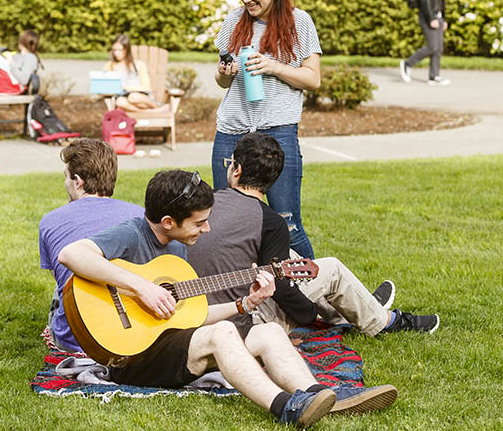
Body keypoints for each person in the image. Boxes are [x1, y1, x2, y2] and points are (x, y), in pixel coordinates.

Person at [58, 170, 396, 426]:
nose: (206, 230)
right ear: (167, 221)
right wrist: (141, 286)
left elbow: (190, 316)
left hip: (169, 346)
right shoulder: (131, 233)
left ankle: (316, 394)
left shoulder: (176, 249)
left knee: (268, 332)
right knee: (222, 334)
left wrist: (244, 305)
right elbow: (72, 254)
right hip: (131, 359)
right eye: (200, 223)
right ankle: (285, 407)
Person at [188, 132, 440, 351]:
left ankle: (356, 310)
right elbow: (282, 288)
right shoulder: (270, 222)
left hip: (193, 310)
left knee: (288, 256)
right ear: (272, 181)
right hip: (240, 319)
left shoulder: (205, 204)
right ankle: (384, 322)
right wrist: (309, 313)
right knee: (331, 268)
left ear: (237, 170)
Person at [212, 0, 321, 260]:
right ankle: (239, 299)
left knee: (287, 224)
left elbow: (313, 80)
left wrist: (273, 66)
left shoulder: (299, 23)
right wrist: (225, 72)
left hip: (278, 132)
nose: (246, 0)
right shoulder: (234, 21)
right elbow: (222, 82)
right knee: (226, 221)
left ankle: (318, 292)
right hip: (231, 132)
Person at [38, 138, 144, 352]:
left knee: (62, 289)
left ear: (78, 181)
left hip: (75, 339)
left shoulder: (49, 221)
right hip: (135, 331)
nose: (66, 183)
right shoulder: (142, 216)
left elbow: (61, 281)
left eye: (66, 177)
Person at [400, 0, 451, 86]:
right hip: (428, 17)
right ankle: (407, 63)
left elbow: (441, 0)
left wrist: (443, 18)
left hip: (438, 17)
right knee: (432, 47)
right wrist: (431, 18)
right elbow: (425, 0)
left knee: (438, 48)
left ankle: (434, 76)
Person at [103, 33, 160, 111]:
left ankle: (156, 107)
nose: (116, 53)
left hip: (139, 96)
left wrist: (128, 88)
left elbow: (146, 87)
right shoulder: (109, 66)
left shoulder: (138, 64)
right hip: (122, 98)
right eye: (114, 50)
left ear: (127, 50)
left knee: (133, 97)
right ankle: (148, 112)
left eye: (120, 50)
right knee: (120, 102)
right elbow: (105, 86)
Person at [10, 29, 42, 94]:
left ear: (23, 41)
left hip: (14, 88)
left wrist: (11, 63)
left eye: (20, 39)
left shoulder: (30, 58)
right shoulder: (18, 55)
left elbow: (24, 79)